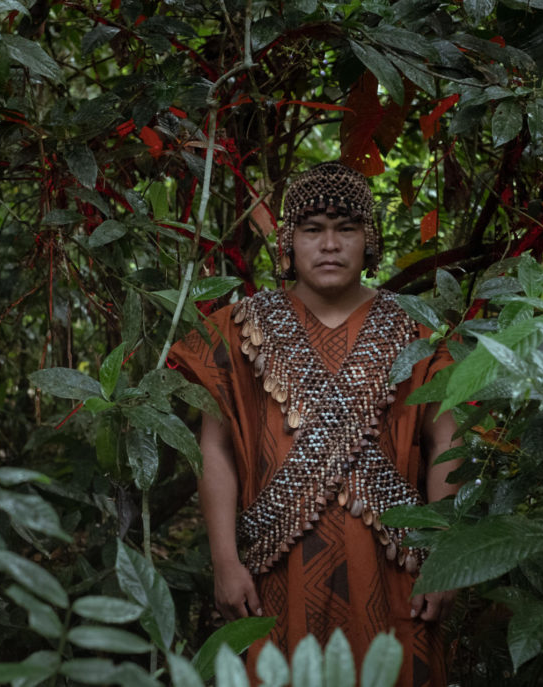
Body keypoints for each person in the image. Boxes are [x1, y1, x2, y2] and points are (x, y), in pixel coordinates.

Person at [169, 161, 460, 686]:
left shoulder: (418, 329)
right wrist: (223, 561)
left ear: (368, 240)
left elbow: (450, 440)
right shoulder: (237, 329)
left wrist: (448, 561)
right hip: (271, 578)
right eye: (312, 230)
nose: (330, 245)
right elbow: (215, 451)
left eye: (346, 229)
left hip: (396, 577)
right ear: (288, 242)